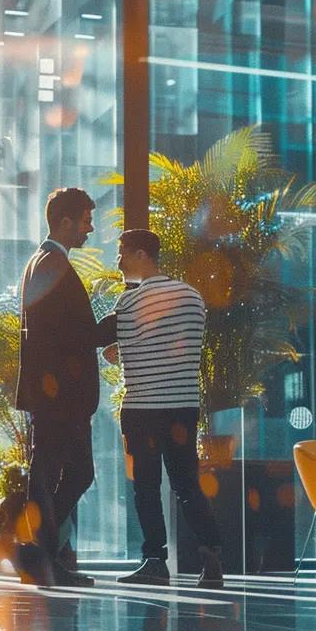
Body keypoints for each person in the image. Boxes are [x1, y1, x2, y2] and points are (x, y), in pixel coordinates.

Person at [96, 229, 224, 588]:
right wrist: (128, 348)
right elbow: (177, 346)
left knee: (147, 487)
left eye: (121, 253)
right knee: (187, 484)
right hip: (183, 407)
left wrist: (120, 347)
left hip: (143, 408)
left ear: (140, 255)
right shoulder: (192, 296)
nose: (118, 260)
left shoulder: (130, 301)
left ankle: (155, 562)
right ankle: (211, 555)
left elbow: (95, 337)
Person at [14, 187, 104, 587]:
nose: (90, 228)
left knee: (60, 472)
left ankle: (40, 550)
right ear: (65, 221)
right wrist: (115, 324)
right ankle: (40, 552)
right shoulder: (52, 263)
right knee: (62, 473)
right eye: (86, 219)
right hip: (61, 395)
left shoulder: (43, 261)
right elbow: (71, 334)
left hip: (54, 395)